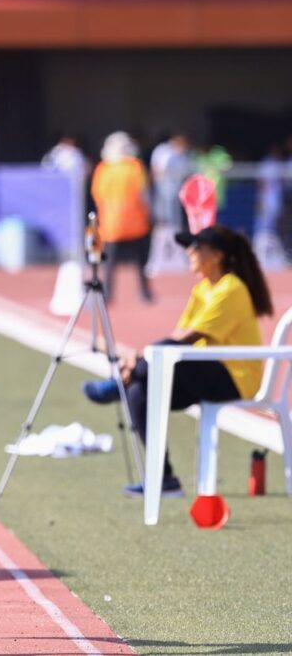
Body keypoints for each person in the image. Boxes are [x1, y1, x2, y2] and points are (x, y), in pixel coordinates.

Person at [83, 225, 273, 497]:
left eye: (196, 247)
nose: (189, 252)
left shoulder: (231, 289)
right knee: (138, 392)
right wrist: (140, 362)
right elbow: (175, 338)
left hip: (234, 379)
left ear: (217, 255)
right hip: (207, 373)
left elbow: (186, 338)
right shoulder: (203, 290)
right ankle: (165, 480)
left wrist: (136, 360)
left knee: (163, 356)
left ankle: (120, 381)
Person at [90, 131, 154, 304]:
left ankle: (108, 294)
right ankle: (145, 293)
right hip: (136, 223)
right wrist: (151, 213)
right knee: (140, 262)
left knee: (109, 264)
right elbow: (144, 194)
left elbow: (97, 195)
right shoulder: (135, 167)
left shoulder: (103, 169)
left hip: (111, 224)